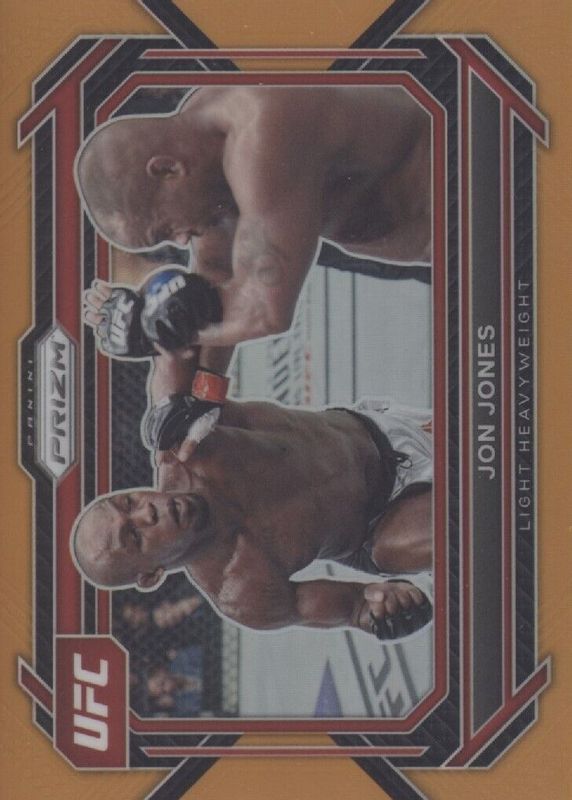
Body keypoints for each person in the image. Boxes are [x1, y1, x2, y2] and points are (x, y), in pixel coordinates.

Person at [71, 338, 434, 642]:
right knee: (442, 529)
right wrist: (387, 607)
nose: (146, 512)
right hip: (384, 525)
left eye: (128, 502)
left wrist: (146, 323)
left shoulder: (184, 446)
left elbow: (181, 344)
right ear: (152, 575)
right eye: (135, 536)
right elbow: (356, 608)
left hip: (380, 431)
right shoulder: (241, 592)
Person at [76, 86, 431, 349]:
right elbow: (212, 284)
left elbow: (263, 311)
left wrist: (154, 333)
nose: (182, 240)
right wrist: (145, 321)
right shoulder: (213, 178)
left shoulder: (260, 130)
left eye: (166, 229)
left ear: (168, 169)